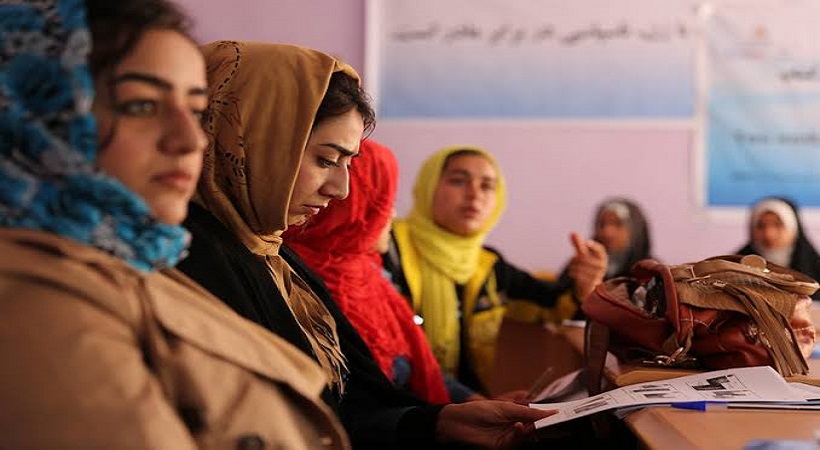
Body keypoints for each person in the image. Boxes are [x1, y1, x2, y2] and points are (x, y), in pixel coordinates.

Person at [0, 1, 348, 449]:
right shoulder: (37, 304)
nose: (191, 140)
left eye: (197, 111)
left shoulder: (134, 262)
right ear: (31, 117)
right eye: (142, 105)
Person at [176, 41, 555, 449]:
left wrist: (437, 422)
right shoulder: (187, 265)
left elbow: (350, 406)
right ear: (250, 139)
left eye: (348, 163)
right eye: (325, 160)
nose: (341, 190)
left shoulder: (274, 256)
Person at [383, 145, 608, 395]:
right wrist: (470, 403)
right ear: (428, 186)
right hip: (397, 403)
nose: (474, 195)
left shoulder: (488, 266)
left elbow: (553, 306)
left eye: (487, 186)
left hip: (468, 406)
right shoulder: (387, 248)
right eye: (458, 181)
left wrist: (585, 286)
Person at [284, 139, 452, 404]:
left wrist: (473, 400)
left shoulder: (368, 271)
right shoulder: (295, 279)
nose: (391, 214)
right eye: (382, 201)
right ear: (354, 208)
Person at [552, 197, 655, 319]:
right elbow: (554, 298)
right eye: (602, 224)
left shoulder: (650, 271)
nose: (607, 232)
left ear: (635, 230)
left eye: (618, 224)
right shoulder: (585, 263)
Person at [735, 196, 820, 298]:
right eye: (761, 225)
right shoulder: (735, 267)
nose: (769, 234)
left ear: (793, 229)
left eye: (778, 225)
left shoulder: (815, 267)